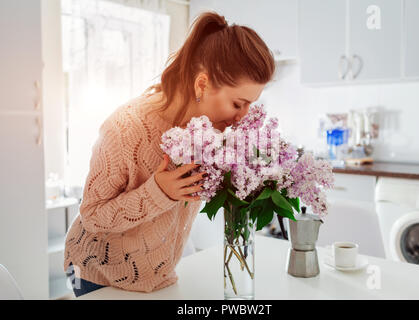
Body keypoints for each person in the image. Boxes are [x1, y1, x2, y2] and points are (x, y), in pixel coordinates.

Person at [64, 11, 275, 297]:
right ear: (202, 84)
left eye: (250, 105)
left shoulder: (210, 131)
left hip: (156, 279)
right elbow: (92, 216)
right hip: (93, 273)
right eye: (238, 104)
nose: (243, 117)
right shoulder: (126, 127)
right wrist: (159, 191)